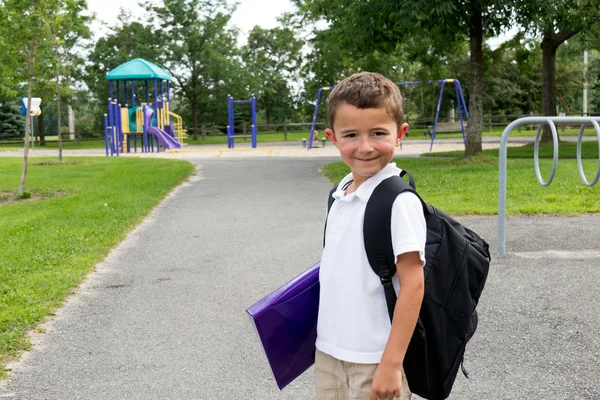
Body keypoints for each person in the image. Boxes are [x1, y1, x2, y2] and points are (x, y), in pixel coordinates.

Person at [317, 72, 426, 400]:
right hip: (330, 354)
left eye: (378, 133)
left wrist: (391, 364)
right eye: (351, 134)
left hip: (375, 358)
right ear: (333, 138)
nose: (364, 147)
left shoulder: (399, 201)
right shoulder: (339, 194)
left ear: (400, 134)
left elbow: (414, 285)